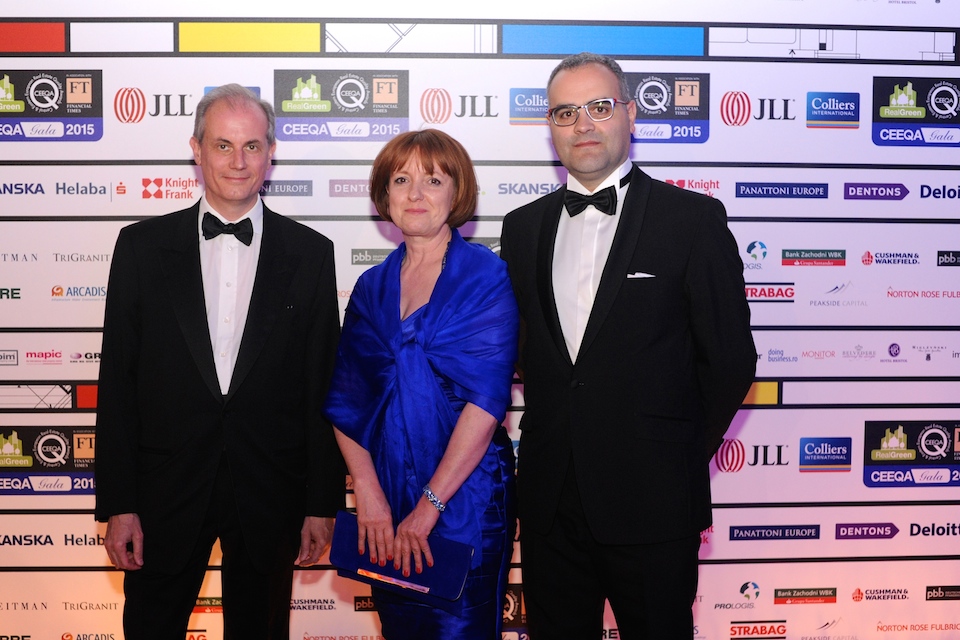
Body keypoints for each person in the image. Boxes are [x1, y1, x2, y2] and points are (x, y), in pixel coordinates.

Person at [499, 53, 757, 639]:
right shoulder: (522, 227)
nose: (583, 124)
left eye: (599, 106)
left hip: (653, 500)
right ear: (550, 126)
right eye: (566, 112)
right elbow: (524, 354)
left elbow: (730, 360)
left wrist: (675, 456)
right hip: (549, 501)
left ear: (631, 114)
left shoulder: (691, 219)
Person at [94, 83, 344, 640]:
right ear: (197, 149)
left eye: (252, 146)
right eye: (223, 145)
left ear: (271, 153)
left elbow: (321, 386)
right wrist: (118, 503)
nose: (238, 161)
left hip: (271, 492)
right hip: (163, 491)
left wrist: (321, 502)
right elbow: (118, 383)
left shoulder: (311, 253)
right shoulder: (140, 247)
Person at [322, 129, 518, 639]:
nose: (415, 194)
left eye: (433, 180)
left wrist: (430, 506)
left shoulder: (485, 277)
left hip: (466, 495)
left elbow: (487, 403)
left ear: (458, 192)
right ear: (384, 194)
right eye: (401, 180)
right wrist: (368, 493)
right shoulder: (371, 287)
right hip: (386, 499)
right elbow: (346, 402)